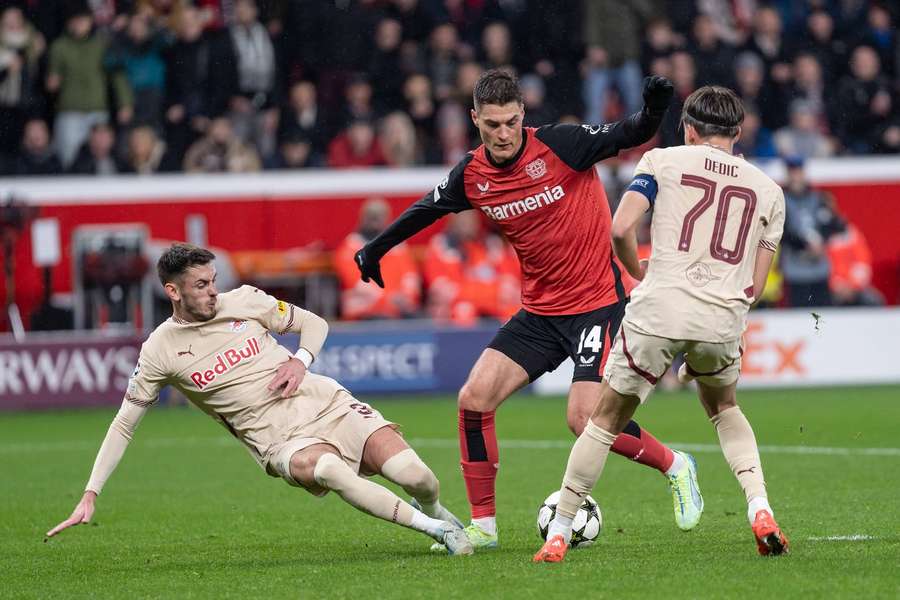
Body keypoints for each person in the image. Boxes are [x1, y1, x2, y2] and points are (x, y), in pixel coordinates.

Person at [354, 69, 704, 550]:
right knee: (473, 399)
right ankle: (485, 527)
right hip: (539, 313)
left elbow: (632, 133)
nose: (502, 134)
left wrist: (655, 110)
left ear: (523, 116)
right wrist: (375, 249)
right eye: (492, 124)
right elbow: (425, 209)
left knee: (584, 420)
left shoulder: (562, 144)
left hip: (597, 305)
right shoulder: (472, 175)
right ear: (475, 119)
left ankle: (677, 465)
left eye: (511, 122)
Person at [46, 243, 473, 556]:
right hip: (279, 440)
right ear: (173, 292)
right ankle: (437, 531)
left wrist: (302, 361)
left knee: (419, 477)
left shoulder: (245, 300)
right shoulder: (160, 350)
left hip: (326, 403)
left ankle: (430, 505)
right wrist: (91, 493)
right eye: (200, 285)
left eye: (213, 281)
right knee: (327, 468)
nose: (213, 292)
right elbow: (124, 424)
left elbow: (314, 323)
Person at [534, 86, 789, 563]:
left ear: (688, 129)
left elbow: (619, 228)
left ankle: (560, 531)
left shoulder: (661, 162)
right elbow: (754, 286)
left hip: (659, 310)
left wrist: (638, 270)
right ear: (738, 133)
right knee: (724, 410)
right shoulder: (769, 191)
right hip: (721, 318)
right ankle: (760, 507)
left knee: (604, 421)